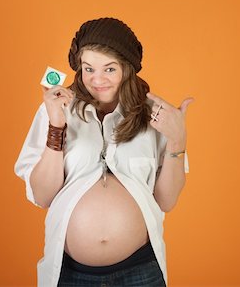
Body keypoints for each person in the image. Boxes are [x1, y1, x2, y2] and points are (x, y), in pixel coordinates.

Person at [14, 17, 193, 287]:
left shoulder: (155, 115)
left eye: (109, 69)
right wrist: (56, 125)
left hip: (140, 271)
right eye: (89, 69)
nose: (97, 80)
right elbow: (43, 196)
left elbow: (166, 201)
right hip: (70, 274)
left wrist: (177, 140)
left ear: (126, 69)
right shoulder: (56, 109)